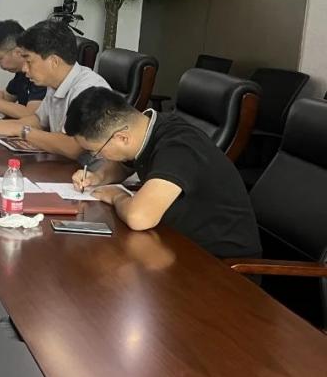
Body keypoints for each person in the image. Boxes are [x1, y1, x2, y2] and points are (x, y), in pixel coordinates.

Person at [64, 87, 262, 258]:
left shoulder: (178, 147)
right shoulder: (146, 129)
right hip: (173, 243)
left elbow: (139, 217)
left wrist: (117, 195)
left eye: (96, 151)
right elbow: (125, 164)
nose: (97, 156)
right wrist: (98, 176)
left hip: (219, 265)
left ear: (122, 138)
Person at [0, 20, 110, 159]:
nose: (25, 69)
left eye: (29, 62)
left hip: (89, 170)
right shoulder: (55, 83)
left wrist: (21, 130)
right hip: (64, 164)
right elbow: (39, 120)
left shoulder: (88, 89)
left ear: (54, 61)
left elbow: (73, 147)